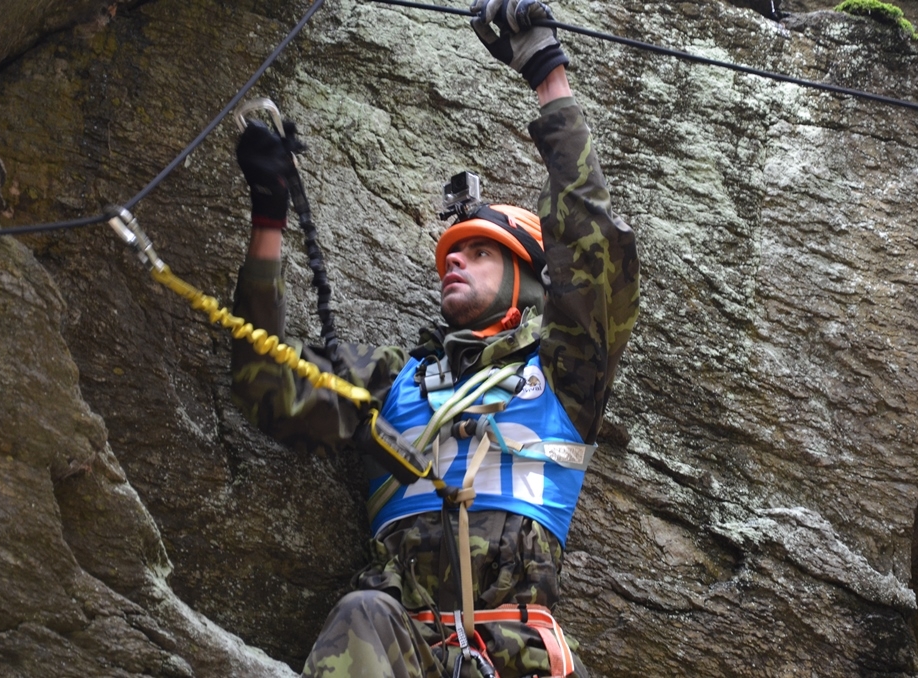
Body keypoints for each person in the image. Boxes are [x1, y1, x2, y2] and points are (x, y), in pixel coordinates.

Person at [230, 0, 640, 675]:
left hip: (519, 656)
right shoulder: (396, 381)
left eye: (479, 252)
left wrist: (547, 73)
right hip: (402, 645)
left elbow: (597, 250)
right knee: (361, 612)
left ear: (529, 280)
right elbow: (265, 386)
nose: (452, 259)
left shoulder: (567, 373)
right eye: (450, 251)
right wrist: (268, 218)